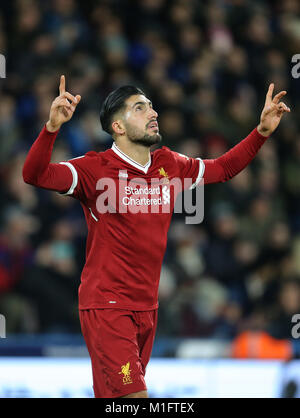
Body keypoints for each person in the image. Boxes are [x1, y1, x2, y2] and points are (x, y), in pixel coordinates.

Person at [22, 75, 290, 398]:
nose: (153, 113)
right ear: (118, 127)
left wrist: (261, 132)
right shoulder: (95, 169)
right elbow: (34, 175)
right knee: (137, 399)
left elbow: (223, 168)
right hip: (108, 305)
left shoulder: (168, 164)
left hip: (147, 308)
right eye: (140, 108)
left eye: (151, 106)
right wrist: (52, 128)